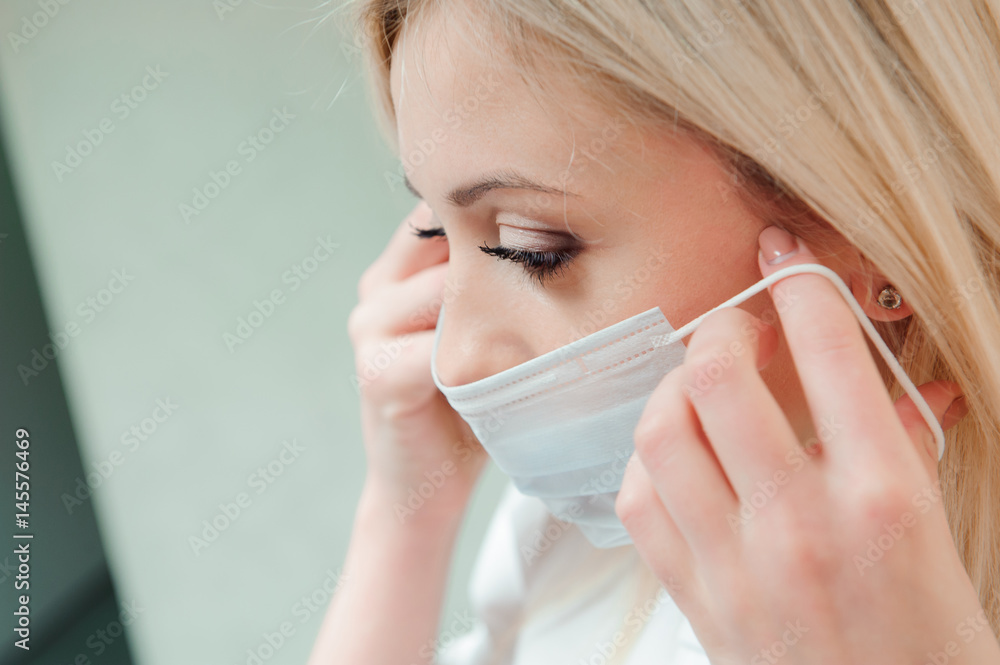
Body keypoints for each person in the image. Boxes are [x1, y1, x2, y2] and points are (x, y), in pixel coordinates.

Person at [309, 0, 1000, 662]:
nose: (453, 362)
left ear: (875, 242)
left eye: (533, 248)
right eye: (434, 229)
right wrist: (405, 514)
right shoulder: (589, 529)